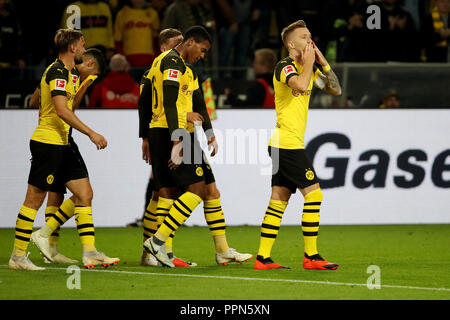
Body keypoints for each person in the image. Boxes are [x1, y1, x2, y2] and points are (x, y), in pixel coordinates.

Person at [139, 28, 252, 267]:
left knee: (210, 191)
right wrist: (177, 141)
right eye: (202, 50)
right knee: (194, 190)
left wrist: (209, 134)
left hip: (180, 134)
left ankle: (221, 250)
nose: (202, 56)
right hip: (172, 134)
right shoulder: (170, 63)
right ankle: (158, 243)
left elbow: (199, 103)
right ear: (190, 42)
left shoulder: (185, 69)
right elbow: (168, 105)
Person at [9, 29, 118, 271]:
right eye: (82, 44)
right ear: (72, 48)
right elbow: (62, 110)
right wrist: (91, 133)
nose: (83, 48)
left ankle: (88, 252)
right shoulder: (58, 71)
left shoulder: (66, 74)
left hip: (61, 141)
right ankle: (18, 256)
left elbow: (37, 102)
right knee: (34, 199)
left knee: (84, 193)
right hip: (49, 141)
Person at [254, 20, 342, 270]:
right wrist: (311, 64)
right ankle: (311, 256)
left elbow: (336, 90)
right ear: (292, 44)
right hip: (286, 144)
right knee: (314, 194)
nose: (310, 41)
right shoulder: (285, 66)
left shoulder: (309, 69)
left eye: (311, 36)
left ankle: (262, 258)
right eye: (304, 37)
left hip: (283, 144)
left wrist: (322, 62)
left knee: (279, 199)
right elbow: (301, 85)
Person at [28, 48, 106, 264]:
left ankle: (50, 249)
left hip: (47, 138)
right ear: (90, 64)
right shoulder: (69, 74)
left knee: (56, 193)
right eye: (95, 74)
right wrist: (85, 86)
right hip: (60, 138)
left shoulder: (52, 70)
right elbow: (68, 109)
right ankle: (46, 236)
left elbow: (33, 102)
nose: (94, 78)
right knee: (84, 194)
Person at [114, 0, 160, 67]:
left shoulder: (153, 13)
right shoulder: (122, 14)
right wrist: (123, 59)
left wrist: (156, 58)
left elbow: (156, 40)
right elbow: (117, 40)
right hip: (128, 59)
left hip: (149, 58)